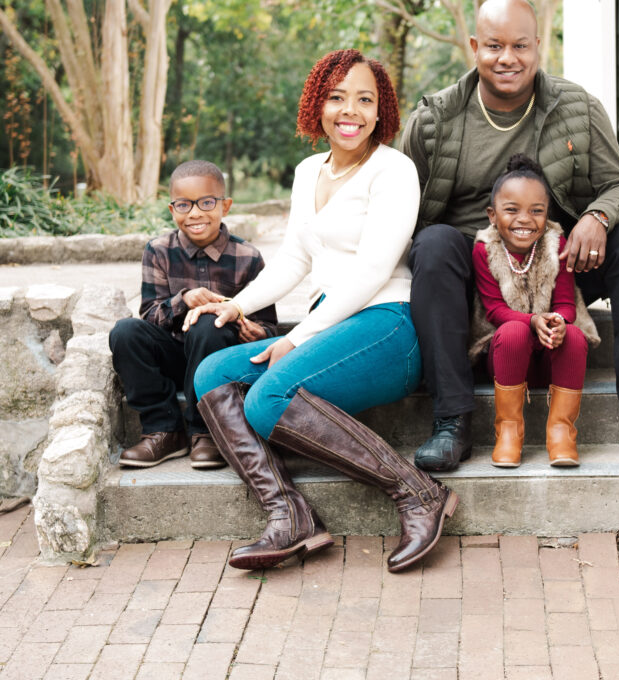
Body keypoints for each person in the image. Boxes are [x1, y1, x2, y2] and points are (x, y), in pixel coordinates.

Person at [187, 49, 458, 574]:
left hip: (387, 326)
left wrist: (299, 336)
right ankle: (290, 516)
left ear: (382, 112)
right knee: (211, 373)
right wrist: (235, 304)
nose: (349, 111)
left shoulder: (394, 170)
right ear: (318, 104)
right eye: (336, 98)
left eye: (364, 99)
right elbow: (294, 258)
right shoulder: (309, 169)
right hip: (331, 327)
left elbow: (374, 269)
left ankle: (417, 492)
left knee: (267, 400)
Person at [402, 0, 619, 471]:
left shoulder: (577, 108)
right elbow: (400, 208)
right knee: (432, 242)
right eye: (493, 45)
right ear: (474, 47)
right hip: (474, 277)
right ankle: (452, 421)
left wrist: (598, 217)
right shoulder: (435, 119)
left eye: (520, 46)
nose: (507, 58)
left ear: (537, 48)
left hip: (558, 270)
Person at [109, 159, 278, 469]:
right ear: (173, 210)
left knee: (207, 323)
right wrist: (183, 300)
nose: (195, 213)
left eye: (207, 202)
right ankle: (164, 430)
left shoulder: (248, 257)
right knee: (125, 331)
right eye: (184, 205)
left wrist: (255, 330)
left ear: (225, 206)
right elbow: (148, 316)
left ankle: (207, 432)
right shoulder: (158, 250)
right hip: (175, 356)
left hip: (220, 361)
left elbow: (269, 328)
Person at [471, 154, 600, 467]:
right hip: (507, 358)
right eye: (511, 210)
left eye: (536, 211)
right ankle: (509, 433)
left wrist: (557, 323)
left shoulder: (557, 244)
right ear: (492, 214)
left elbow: (567, 303)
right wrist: (532, 321)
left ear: (547, 215)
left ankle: (561, 432)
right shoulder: (484, 248)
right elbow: (494, 310)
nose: (524, 219)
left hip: (550, 360)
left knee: (573, 335)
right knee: (514, 330)